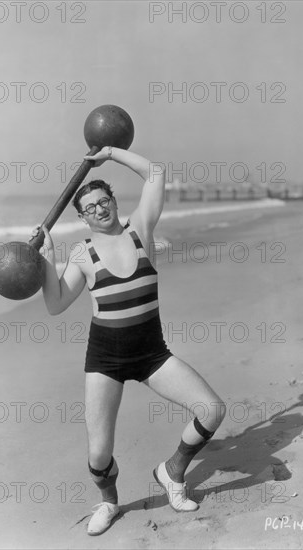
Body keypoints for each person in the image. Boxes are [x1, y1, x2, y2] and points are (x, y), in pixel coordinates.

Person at [34, 146, 226, 536]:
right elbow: (55, 304)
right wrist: (45, 260)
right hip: (105, 360)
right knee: (98, 453)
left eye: (104, 201)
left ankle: (172, 473)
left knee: (212, 410)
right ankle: (109, 502)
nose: (100, 210)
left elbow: (155, 172)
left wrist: (111, 153)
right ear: (82, 217)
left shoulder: (142, 231)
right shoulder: (82, 255)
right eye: (90, 208)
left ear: (114, 201)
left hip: (152, 354)